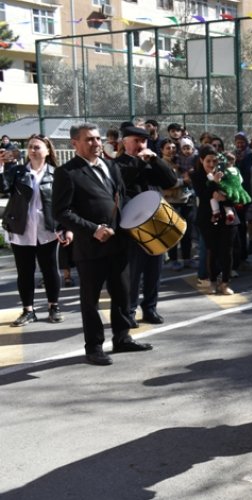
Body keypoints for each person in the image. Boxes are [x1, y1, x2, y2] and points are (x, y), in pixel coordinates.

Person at [53, 123, 153, 366]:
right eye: (89, 140)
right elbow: (61, 211)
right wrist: (93, 230)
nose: (96, 143)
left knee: (122, 293)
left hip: (119, 243)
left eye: (98, 139)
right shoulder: (67, 172)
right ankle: (94, 347)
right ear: (74, 143)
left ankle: (122, 338)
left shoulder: (110, 166)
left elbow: (120, 197)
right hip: (90, 248)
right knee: (90, 300)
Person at [1, 134, 70, 326]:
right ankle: (28, 310)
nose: (32, 150)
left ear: (47, 151)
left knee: (50, 270)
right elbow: (3, 188)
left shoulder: (57, 174)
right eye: (30, 147)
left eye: (37, 147)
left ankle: (53, 307)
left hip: (47, 229)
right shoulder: (17, 172)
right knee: (25, 272)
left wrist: (67, 228)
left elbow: (65, 204)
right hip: (21, 229)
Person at [115, 126, 178, 327]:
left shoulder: (151, 163)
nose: (141, 145)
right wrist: (139, 162)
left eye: (144, 141)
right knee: (134, 271)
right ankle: (130, 310)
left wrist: (156, 160)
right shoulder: (118, 164)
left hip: (155, 220)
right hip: (133, 223)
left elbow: (171, 180)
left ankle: (150, 308)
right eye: (136, 140)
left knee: (154, 268)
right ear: (125, 142)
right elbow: (123, 181)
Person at [192, 145, 240, 295]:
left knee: (227, 250)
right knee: (211, 250)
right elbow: (203, 194)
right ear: (201, 160)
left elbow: (236, 192)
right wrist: (214, 183)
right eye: (208, 161)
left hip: (228, 217)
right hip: (208, 217)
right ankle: (212, 280)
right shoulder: (196, 175)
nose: (212, 164)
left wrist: (226, 196)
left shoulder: (226, 172)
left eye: (214, 161)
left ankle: (225, 282)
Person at [161, 138, 196, 271]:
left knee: (187, 231)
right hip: (172, 202)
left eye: (173, 148)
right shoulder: (162, 164)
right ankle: (173, 259)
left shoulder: (180, 161)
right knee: (173, 232)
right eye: (168, 148)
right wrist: (183, 181)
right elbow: (167, 183)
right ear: (162, 150)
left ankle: (187, 258)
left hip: (186, 200)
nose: (171, 151)